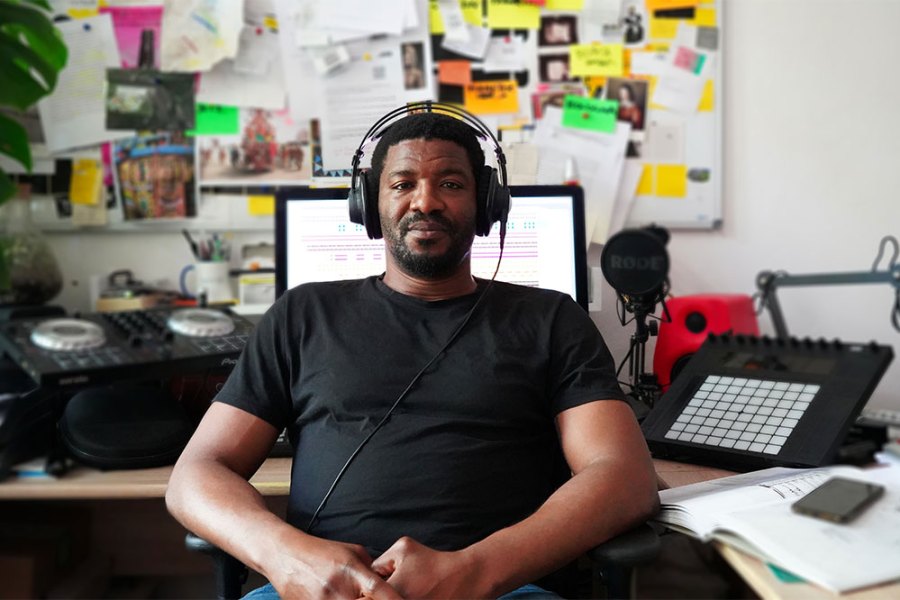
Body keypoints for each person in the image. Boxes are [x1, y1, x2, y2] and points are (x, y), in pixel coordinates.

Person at [166, 110, 659, 599]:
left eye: (451, 183)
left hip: (499, 589)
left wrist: (474, 572)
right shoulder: (302, 315)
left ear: (487, 203)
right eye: (402, 184)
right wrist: (283, 554)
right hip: (322, 591)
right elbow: (196, 474)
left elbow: (625, 476)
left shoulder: (551, 319)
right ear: (368, 204)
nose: (426, 201)